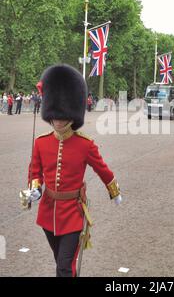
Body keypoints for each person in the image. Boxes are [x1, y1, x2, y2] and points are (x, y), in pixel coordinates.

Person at [19, 64, 122, 277]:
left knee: (64, 267)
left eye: (62, 116)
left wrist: (114, 191)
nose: (58, 121)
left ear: (72, 115)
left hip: (73, 213)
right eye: (55, 116)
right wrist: (35, 189)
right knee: (63, 263)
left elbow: (102, 168)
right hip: (48, 213)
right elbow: (35, 172)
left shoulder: (85, 144)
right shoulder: (41, 143)